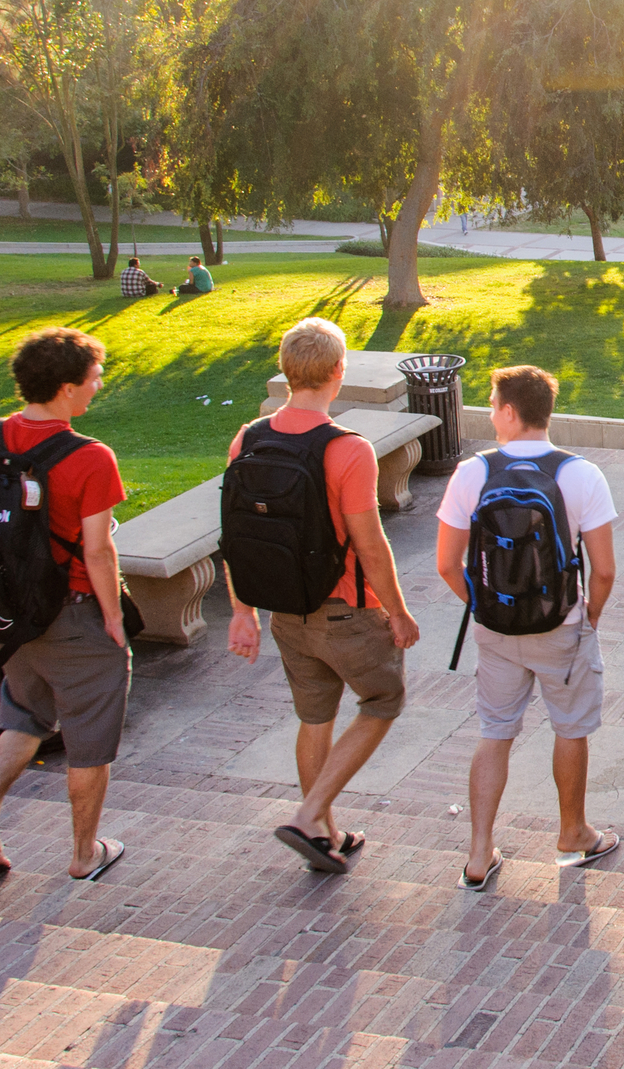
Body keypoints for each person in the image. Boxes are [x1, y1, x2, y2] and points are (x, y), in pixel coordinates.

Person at [226, 318, 422, 875]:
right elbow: (371, 545)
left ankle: (326, 837)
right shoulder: (348, 450)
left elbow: (235, 532)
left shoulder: (249, 437)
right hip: (349, 612)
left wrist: (243, 610)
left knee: (315, 720)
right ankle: (311, 816)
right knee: (382, 702)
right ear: (338, 373)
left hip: (287, 611)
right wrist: (399, 613)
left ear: (287, 372)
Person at [0, 327, 130, 880]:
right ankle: (83, 854)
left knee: (26, 712)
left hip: (9, 615)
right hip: (73, 613)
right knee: (89, 735)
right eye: (94, 379)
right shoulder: (91, 458)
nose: (97, 387)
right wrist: (114, 619)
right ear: (67, 389)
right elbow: (98, 551)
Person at [436, 365, 621, 885]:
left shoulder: (474, 472)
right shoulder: (581, 474)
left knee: (495, 733)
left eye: (493, 405)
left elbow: (447, 563)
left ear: (512, 412)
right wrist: (589, 616)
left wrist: (485, 604)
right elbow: (604, 569)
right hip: (561, 625)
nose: (491, 414)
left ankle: (479, 854)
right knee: (571, 728)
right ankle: (573, 835)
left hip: (495, 631)